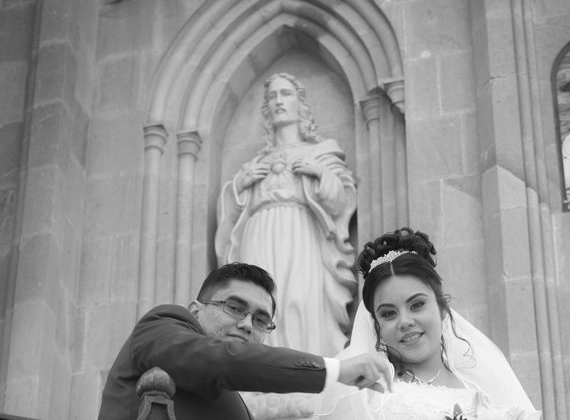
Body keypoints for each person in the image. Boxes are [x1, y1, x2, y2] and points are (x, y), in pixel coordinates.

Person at [97, 263, 391, 420]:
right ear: (195, 310)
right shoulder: (161, 325)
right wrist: (335, 371)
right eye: (234, 307)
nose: (247, 325)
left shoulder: (238, 405)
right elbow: (221, 360)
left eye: (261, 319)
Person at [317, 228, 541, 420]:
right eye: (388, 313)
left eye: (416, 305)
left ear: (442, 308)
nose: (404, 321)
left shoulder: (482, 393)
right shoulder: (366, 397)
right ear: (377, 326)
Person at [215, 73, 357, 356]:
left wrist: (319, 173)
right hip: (258, 235)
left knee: (298, 300)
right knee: (258, 300)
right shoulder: (254, 164)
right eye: (272, 96)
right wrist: (240, 186)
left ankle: (303, 368)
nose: (279, 101)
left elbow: (341, 203)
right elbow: (230, 218)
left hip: (302, 235)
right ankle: (257, 374)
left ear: (300, 105)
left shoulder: (320, 153)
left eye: (286, 94)